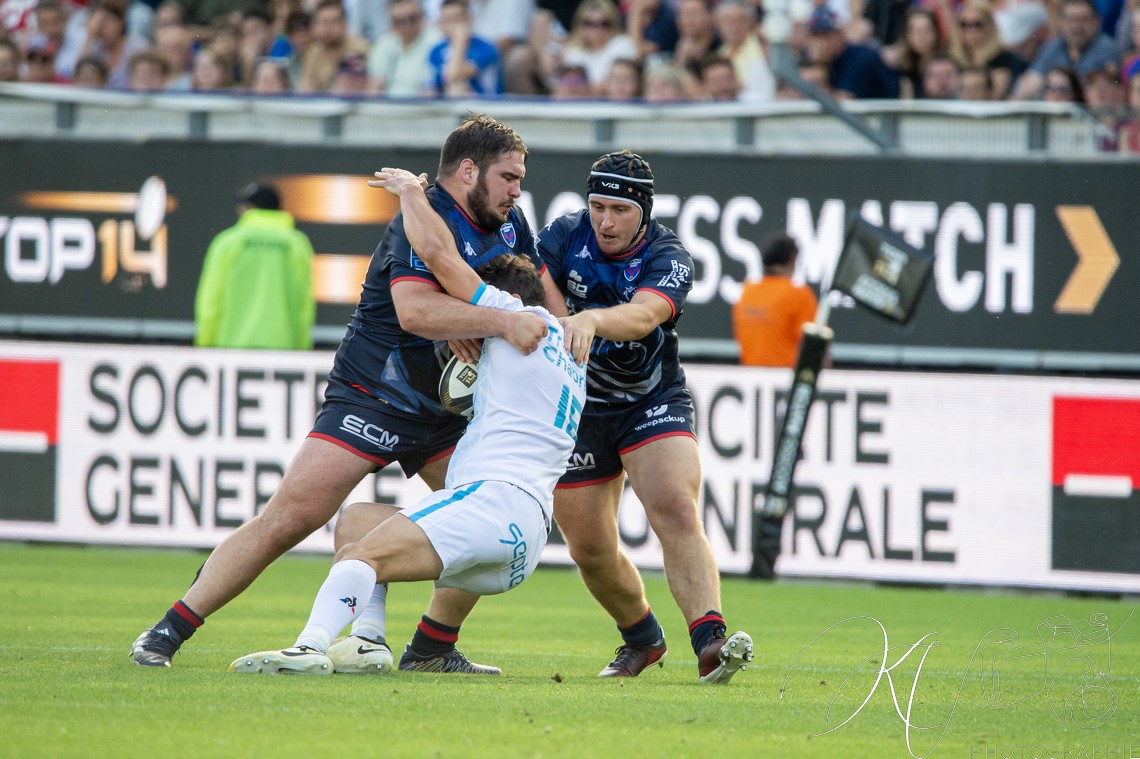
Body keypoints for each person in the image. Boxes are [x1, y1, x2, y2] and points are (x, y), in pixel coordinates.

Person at [131, 114, 553, 673]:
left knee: (481, 521)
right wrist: (493, 323)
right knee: (292, 515)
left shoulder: (510, 223)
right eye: (507, 177)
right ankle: (168, 630)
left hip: (447, 410)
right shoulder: (420, 217)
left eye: (519, 179)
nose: (516, 190)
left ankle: (430, 648)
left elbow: (539, 293)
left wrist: (556, 338)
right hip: (374, 392)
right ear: (468, 170)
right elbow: (415, 311)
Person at [230, 174, 586, 676]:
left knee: (360, 557)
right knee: (357, 521)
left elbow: (440, 255)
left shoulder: (511, 318)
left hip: (491, 504)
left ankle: (308, 649)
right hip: (525, 534)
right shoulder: (570, 351)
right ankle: (371, 643)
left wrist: (413, 195)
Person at [194, 182, 315, 351]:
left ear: (247, 209)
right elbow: (303, 305)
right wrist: (302, 347)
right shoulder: (297, 244)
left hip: (230, 350)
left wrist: (205, 344)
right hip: (283, 350)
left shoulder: (227, 243)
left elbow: (211, 301)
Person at [732, 233, 819, 368]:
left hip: (749, 380)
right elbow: (816, 349)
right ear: (792, 261)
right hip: (785, 381)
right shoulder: (799, 295)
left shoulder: (746, 292)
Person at [1013, 0, 1121, 99]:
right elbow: (1031, 82)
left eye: (1083, 19)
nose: (1077, 26)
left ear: (1097, 21)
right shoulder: (1053, 46)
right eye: (1071, 19)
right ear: (1060, 22)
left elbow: (1101, 92)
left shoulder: (1106, 48)